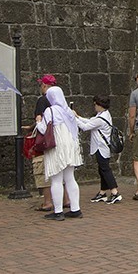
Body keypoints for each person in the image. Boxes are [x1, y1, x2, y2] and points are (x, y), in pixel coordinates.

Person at [38, 82, 83, 218]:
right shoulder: (69, 111)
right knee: (70, 178)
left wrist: (38, 122)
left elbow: (43, 129)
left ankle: (58, 212)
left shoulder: (50, 111)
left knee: (56, 180)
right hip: (70, 145)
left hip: (57, 146)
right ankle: (75, 209)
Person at [77, 96, 122, 205]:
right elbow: (90, 121)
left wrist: (73, 118)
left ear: (99, 105)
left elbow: (85, 127)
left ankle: (115, 192)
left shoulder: (101, 119)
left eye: (95, 104)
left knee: (105, 169)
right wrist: (77, 117)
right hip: (101, 147)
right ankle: (102, 192)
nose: (94, 106)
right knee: (102, 169)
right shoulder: (103, 114)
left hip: (101, 147)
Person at [32, 75, 58, 212]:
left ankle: (47, 202)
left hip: (45, 141)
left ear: (44, 86)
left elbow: (40, 122)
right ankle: (66, 199)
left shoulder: (42, 100)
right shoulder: (60, 102)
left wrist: (35, 123)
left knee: (43, 170)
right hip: (58, 139)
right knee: (60, 171)